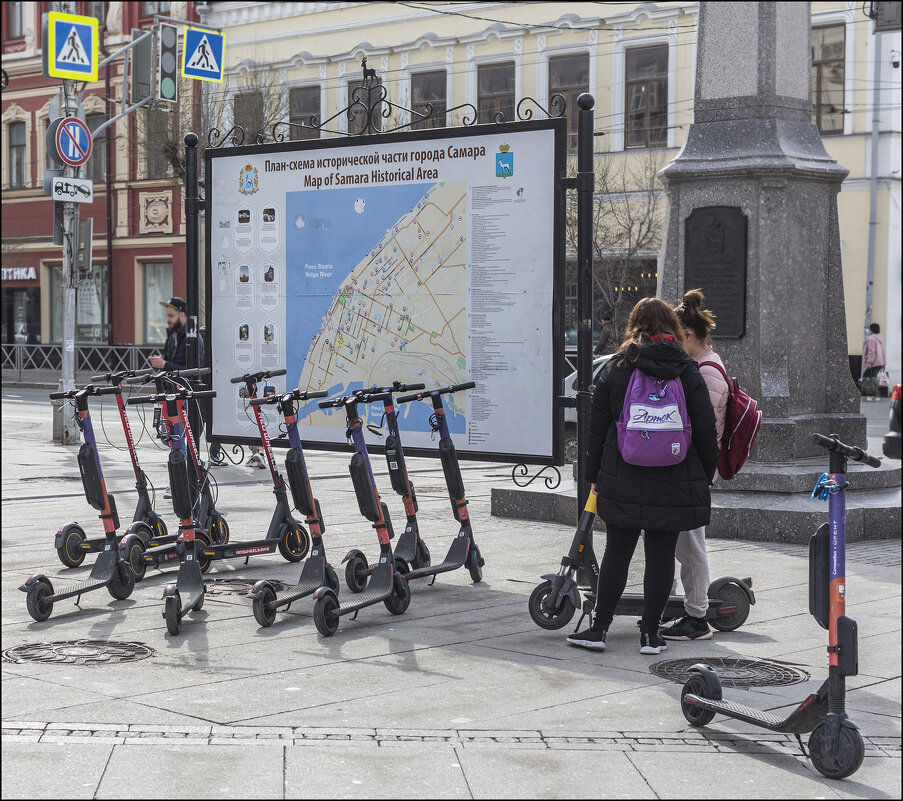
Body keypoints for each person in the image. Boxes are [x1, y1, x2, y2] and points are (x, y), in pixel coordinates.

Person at [567, 297, 718, 655]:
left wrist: (593, 475)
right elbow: (706, 432)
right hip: (675, 476)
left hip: (623, 475)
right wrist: (703, 476)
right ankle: (651, 635)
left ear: (635, 326)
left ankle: (599, 630)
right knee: (661, 554)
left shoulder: (619, 369)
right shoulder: (688, 370)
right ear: (673, 329)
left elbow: (597, 430)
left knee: (618, 551)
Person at [659, 289, 729, 642]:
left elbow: (702, 428)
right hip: (693, 466)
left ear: (687, 335)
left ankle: (696, 616)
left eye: (675, 336)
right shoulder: (706, 365)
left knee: (690, 545)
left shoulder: (706, 372)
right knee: (686, 543)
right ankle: (687, 608)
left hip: (695, 468)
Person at [150, 297, 208, 494]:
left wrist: (165, 365)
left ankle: (180, 481)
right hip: (170, 394)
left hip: (184, 395)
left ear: (182, 315)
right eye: (167, 315)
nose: (168, 319)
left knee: (176, 437)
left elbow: (193, 370)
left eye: (171, 315)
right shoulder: (174, 337)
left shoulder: (193, 339)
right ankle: (198, 465)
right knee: (168, 437)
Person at [862, 323, 887, 402]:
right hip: (880, 361)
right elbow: (883, 351)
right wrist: (883, 363)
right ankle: (874, 395)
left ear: (871, 329)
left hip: (873, 362)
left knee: (870, 378)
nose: (869, 330)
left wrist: (869, 362)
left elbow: (871, 351)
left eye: (869, 328)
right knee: (874, 378)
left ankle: (872, 394)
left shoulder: (871, 338)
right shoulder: (880, 337)